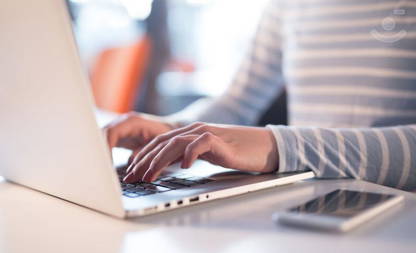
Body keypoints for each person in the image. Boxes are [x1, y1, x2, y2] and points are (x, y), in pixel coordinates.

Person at [104, 0, 416, 190]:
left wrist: (281, 146)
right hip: (311, 202)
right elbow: (239, 100)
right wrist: (174, 132)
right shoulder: (287, 4)